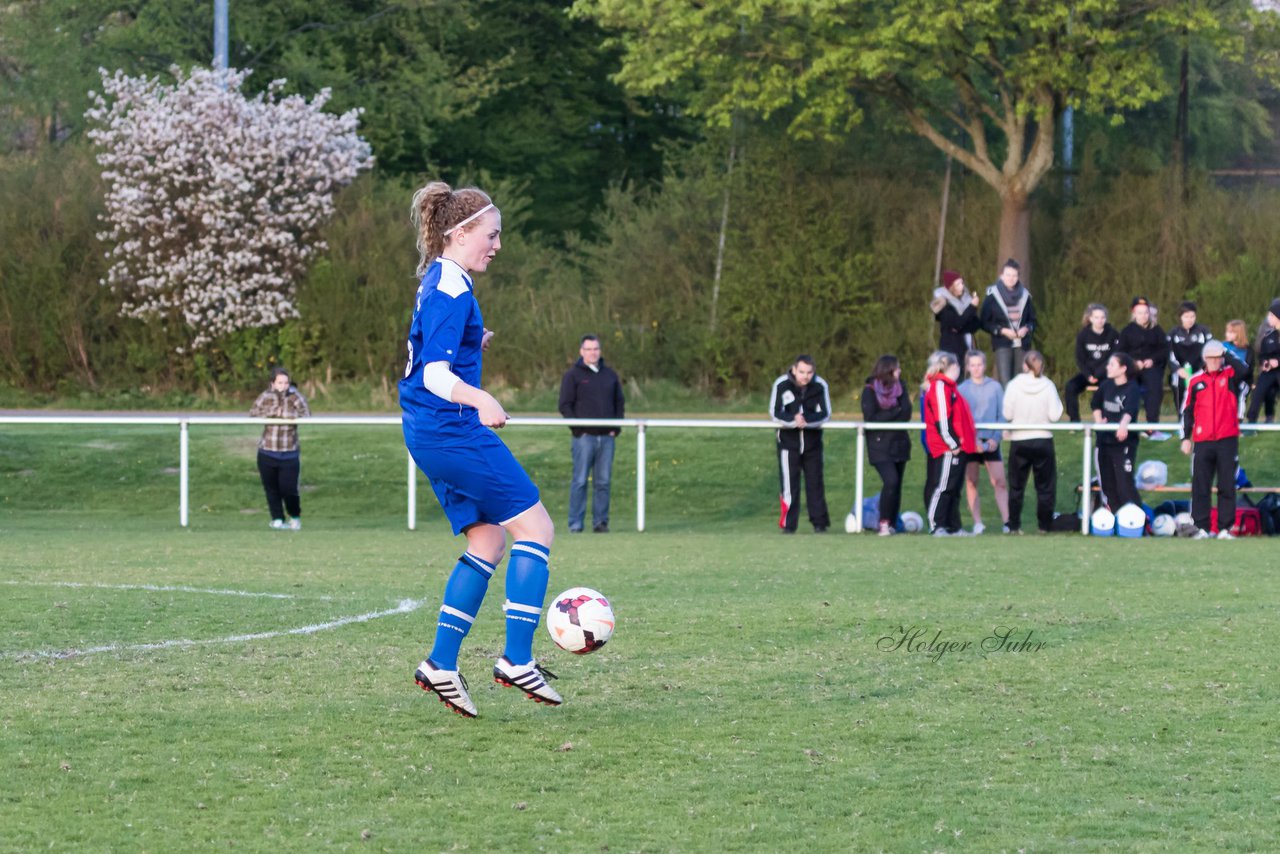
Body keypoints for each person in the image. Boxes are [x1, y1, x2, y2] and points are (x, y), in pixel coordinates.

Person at [401, 181, 561, 718]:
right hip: (451, 427)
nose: (497, 245)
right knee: (536, 529)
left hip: (427, 431)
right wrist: (481, 396)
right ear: (460, 232)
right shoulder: (452, 289)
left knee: (489, 539)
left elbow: (435, 349)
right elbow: (435, 374)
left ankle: (441, 664)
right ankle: (517, 658)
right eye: (491, 235)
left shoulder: (440, 281)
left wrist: (474, 339)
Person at [1180, 340, 1248, 539]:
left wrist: (1226, 352)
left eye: (1218, 357)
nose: (1215, 361)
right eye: (1212, 357)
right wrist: (1185, 437)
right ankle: (1201, 527)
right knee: (1201, 484)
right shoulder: (1196, 381)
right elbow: (1188, 411)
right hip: (1203, 440)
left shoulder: (1230, 376)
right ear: (1205, 359)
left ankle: (1225, 528)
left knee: (1227, 484)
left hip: (1227, 438)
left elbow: (1244, 371)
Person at [558, 334, 625, 533]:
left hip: (606, 438)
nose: (592, 352)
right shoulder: (573, 375)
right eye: (588, 349)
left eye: (595, 349)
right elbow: (565, 405)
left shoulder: (610, 375)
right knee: (579, 481)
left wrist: (616, 428)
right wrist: (578, 430)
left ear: (600, 351)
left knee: (603, 482)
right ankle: (575, 524)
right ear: (581, 351)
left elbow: (619, 403)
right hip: (584, 438)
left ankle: (600, 522)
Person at [1002, 351, 1064, 534]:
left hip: (1019, 440)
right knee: (1045, 487)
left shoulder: (1014, 385)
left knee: (1016, 486)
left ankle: (1014, 526)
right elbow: (1055, 415)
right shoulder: (1048, 386)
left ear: (1024, 365)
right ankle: (1044, 526)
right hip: (1042, 439)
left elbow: (1007, 414)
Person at [769, 355, 832, 533]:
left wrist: (806, 420)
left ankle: (820, 524)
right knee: (789, 486)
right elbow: (774, 412)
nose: (805, 376)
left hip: (813, 445)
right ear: (794, 370)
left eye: (809, 372)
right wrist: (792, 419)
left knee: (815, 484)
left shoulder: (820, 385)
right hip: (788, 445)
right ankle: (789, 526)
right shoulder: (781, 384)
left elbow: (826, 413)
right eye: (802, 372)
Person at [922, 351, 979, 536]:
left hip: (958, 447)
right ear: (951, 367)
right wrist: (952, 444)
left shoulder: (950, 387)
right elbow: (942, 419)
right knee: (944, 486)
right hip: (948, 448)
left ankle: (953, 526)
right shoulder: (939, 387)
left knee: (954, 488)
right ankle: (936, 525)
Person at [250, 367, 310, 530]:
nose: (283, 386)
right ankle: (277, 519)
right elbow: (254, 412)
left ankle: (295, 517)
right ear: (273, 383)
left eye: (286, 382)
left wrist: (288, 415)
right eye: (279, 382)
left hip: (289, 451)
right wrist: (272, 413)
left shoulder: (295, 396)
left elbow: (306, 414)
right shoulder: (266, 396)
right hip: (267, 450)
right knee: (271, 488)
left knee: (289, 488)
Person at [860, 355, 913, 536]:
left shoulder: (901, 387)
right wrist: (895, 411)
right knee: (891, 480)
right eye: (897, 368)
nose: (900, 371)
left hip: (900, 443)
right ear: (888, 370)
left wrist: (895, 412)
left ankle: (891, 523)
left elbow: (906, 412)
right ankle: (883, 522)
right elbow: (872, 418)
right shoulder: (869, 391)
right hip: (879, 446)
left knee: (896, 485)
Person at [958, 350, 1009, 534]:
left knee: (1000, 481)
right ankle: (977, 522)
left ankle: (1007, 522)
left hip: (991, 439)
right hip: (971, 441)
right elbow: (960, 419)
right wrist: (973, 440)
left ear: (985, 365)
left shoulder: (995, 387)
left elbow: (1002, 415)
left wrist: (995, 438)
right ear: (967, 367)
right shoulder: (962, 389)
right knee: (971, 481)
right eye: (972, 365)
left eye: (979, 364)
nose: (976, 368)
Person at [1091, 353, 1143, 511]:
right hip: (1104, 441)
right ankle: (1114, 518)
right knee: (1108, 485)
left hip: (1123, 444)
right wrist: (1099, 420)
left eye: (1112, 364)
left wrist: (1123, 425)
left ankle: (1139, 519)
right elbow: (1095, 404)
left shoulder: (1132, 388)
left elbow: (1130, 410)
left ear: (1123, 369)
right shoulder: (1106, 385)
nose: (1108, 367)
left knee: (1124, 485)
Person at [1116, 296, 1171, 440]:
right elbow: (1120, 352)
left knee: (1154, 390)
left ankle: (1152, 428)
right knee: (1129, 391)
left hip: (1151, 368)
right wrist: (1133, 363)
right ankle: (1126, 426)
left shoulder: (1157, 330)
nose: (1143, 316)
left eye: (1146, 312)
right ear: (1134, 314)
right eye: (1140, 313)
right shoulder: (1127, 331)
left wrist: (1152, 360)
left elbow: (1164, 350)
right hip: (1132, 369)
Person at [980, 258, 1036, 387]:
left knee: (1021, 381)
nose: (1011, 278)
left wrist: (1026, 329)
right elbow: (984, 322)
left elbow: (1033, 320)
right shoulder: (992, 296)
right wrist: (1002, 331)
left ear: (1018, 277)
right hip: (1002, 343)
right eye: (1008, 275)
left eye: (1014, 275)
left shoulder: (1025, 295)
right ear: (1002, 276)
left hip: (1022, 344)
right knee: (1005, 383)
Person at [1063, 304, 1119, 423]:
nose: (1100, 320)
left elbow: (1113, 357)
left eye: (1102, 317)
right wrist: (1088, 375)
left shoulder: (1113, 334)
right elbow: (1080, 359)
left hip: (1106, 374)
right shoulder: (1083, 335)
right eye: (1097, 317)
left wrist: (1099, 374)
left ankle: (1105, 420)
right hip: (1087, 374)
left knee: (1107, 389)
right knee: (1070, 387)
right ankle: (1074, 421)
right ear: (1091, 318)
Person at [1167, 300, 1213, 414]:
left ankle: (1201, 421)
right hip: (1180, 372)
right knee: (1178, 389)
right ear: (1180, 317)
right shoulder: (1173, 333)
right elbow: (1169, 354)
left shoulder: (1203, 331)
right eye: (1186, 316)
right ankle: (1182, 421)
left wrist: (1203, 368)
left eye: (1192, 316)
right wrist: (1178, 369)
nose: (1190, 319)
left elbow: (1210, 351)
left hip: (1200, 370)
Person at [930, 270, 980, 361]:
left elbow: (976, 323)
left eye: (962, 283)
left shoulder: (966, 300)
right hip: (952, 349)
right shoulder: (944, 305)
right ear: (951, 287)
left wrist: (965, 326)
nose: (962, 286)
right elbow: (957, 323)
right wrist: (972, 307)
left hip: (968, 346)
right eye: (958, 284)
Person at [1246, 300, 1280, 424]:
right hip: (1269, 371)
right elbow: (1262, 355)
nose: (1268, 318)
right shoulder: (1268, 336)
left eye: (1271, 315)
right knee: (1259, 391)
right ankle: (1251, 422)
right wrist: (1265, 363)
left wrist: (1278, 361)